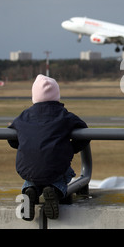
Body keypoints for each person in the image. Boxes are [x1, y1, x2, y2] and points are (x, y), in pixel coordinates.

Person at [8, 74, 90, 221]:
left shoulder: (24, 116)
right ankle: (54, 191)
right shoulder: (64, 115)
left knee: (34, 174)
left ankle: (29, 191)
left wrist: (24, 145)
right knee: (65, 172)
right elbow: (85, 132)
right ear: (57, 96)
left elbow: (11, 139)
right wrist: (71, 148)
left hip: (26, 167)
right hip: (55, 167)